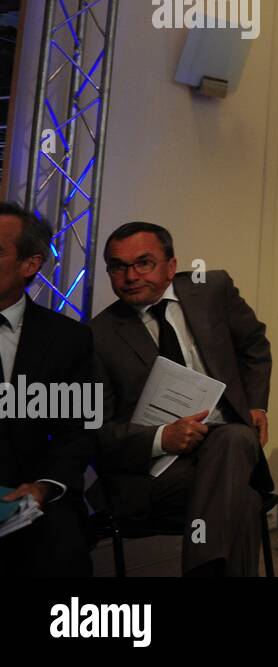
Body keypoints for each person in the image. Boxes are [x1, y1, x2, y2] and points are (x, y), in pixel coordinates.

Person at [90, 222, 272, 576]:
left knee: (234, 436)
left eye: (144, 263)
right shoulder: (97, 335)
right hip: (153, 472)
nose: (130, 276)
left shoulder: (213, 290)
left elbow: (254, 345)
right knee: (245, 498)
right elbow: (95, 432)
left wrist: (256, 405)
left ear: (171, 266)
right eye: (117, 266)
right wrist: (162, 438)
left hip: (223, 448)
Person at [0, 201, 95, 577]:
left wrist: (43, 487)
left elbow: (79, 431)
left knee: (60, 550)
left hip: (33, 493)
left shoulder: (68, 339)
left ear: (30, 264)